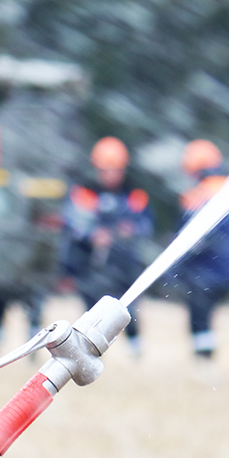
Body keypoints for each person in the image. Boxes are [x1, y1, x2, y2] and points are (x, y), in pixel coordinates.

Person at [58, 136, 153, 354]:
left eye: (115, 170)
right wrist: (93, 235)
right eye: (105, 170)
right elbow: (74, 223)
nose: (110, 175)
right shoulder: (84, 192)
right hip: (91, 265)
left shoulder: (135, 193)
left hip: (124, 263)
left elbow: (145, 224)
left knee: (129, 310)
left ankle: (136, 350)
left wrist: (130, 230)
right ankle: (91, 354)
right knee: (92, 312)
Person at [175, 139, 229, 360]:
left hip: (205, 272)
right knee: (203, 316)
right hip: (222, 270)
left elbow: (198, 240)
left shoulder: (204, 194)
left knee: (200, 317)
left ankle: (204, 360)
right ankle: (204, 358)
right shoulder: (225, 189)